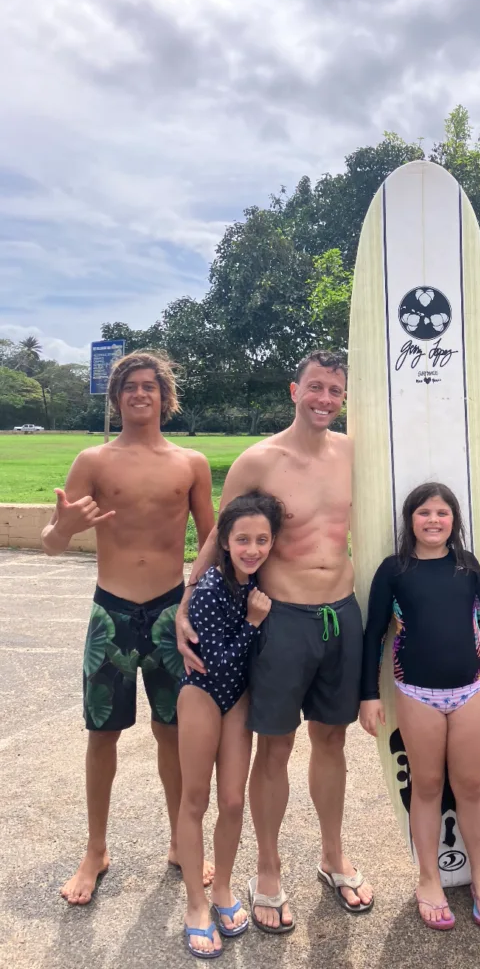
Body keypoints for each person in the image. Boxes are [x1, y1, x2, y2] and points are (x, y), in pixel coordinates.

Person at [175, 350, 373, 932]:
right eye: (315, 387)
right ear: (295, 389)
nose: (325, 400)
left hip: (342, 613)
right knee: (276, 747)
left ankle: (333, 856)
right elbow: (216, 537)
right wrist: (187, 604)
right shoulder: (259, 460)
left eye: (335, 391)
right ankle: (268, 866)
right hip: (281, 617)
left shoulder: (356, 453)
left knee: (331, 741)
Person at [41, 351, 215, 905]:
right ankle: (95, 849)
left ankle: (179, 841)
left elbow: (211, 541)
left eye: (150, 387)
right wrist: (63, 528)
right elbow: (51, 540)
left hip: (170, 614)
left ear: (166, 396)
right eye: (130, 388)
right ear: (116, 399)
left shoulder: (191, 463)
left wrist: (195, 601)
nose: (141, 395)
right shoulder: (93, 460)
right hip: (110, 613)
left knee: (172, 734)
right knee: (102, 734)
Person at [360, 483, 480, 930]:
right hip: (415, 694)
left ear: (454, 520)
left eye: (442, 513)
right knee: (426, 786)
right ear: (410, 520)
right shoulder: (395, 570)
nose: (433, 520)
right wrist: (368, 694)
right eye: (423, 512)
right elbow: (374, 635)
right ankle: (429, 878)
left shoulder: (466, 566)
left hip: (469, 690)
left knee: (469, 785)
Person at [178, 490, 283, 958]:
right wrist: (255, 623)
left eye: (262, 540)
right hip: (202, 694)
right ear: (224, 541)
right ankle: (196, 904)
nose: (253, 549)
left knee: (234, 800)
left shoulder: (256, 580)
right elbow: (215, 662)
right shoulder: (209, 589)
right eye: (243, 540)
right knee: (195, 799)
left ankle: (222, 888)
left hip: (236, 700)